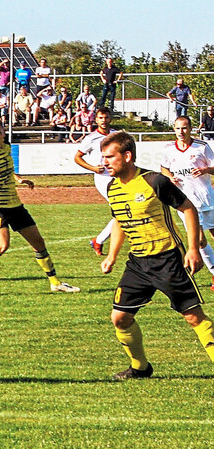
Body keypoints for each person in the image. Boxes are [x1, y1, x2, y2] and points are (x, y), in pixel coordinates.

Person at [100, 131, 214, 380]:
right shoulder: (112, 187)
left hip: (167, 259)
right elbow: (119, 220)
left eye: (110, 157)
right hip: (138, 263)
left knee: (193, 317)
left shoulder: (154, 181)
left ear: (127, 156)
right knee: (120, 318)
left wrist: (193, 248)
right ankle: (140, 368)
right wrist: (112, 255)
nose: (104, 162)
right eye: (103, 157)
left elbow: (188, 208)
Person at [0, 119, 80, 296]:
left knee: (38, 242)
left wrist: (19, 179)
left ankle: (55, 282)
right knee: (1, 246)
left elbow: (6, 168)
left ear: (3, 133)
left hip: (15, 204)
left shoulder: (6, 146)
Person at [160, 115, 214, 290]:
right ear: (174, 130)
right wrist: (170, 177)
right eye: (177, 128)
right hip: (185, 203)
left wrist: (206, 169)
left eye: (184, 128)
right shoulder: (169, 149)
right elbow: (164, 168)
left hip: (207, 198)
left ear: (191, 129)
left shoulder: (202, 147)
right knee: (199, 240)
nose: (181, 132)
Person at [74, 107, 118, 255]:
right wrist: (92, 168)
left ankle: (98, 241)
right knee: (121, 210)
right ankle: (98, 241)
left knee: (123, 210)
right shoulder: (91, 138)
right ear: (96, 119)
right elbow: (77, 157)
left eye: (106, 117)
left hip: (117, 176)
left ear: (110, 118)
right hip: (103, 178)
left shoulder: (117, 135)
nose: (103, 121)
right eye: (101, 118)